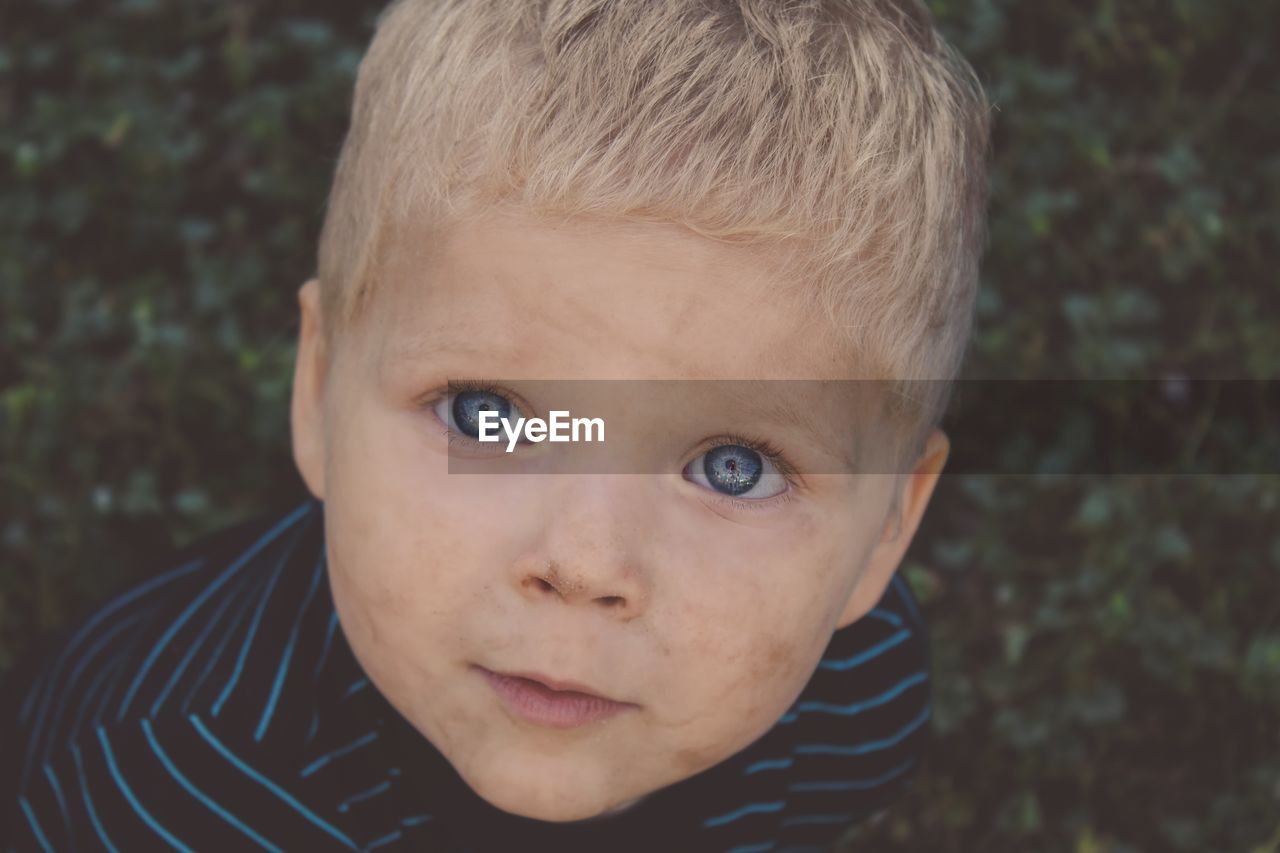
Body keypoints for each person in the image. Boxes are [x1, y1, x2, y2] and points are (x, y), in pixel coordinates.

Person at [0, 0, 991, 850]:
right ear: (317, 389)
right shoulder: (180, 793)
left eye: (732, 466)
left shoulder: (852, 708)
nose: (584, 562)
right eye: (490, 414)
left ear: (884, 530)